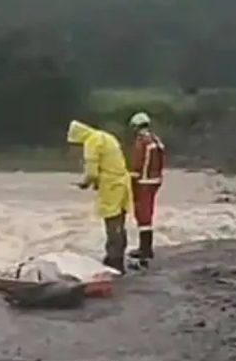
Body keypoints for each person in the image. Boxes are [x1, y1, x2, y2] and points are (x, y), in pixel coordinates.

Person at [66, 120, 132, 272]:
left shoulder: (92, 142)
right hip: (122, 184)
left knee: (112, 224)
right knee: (120, 223)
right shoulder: (105, 136)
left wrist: (85, 183)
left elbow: (92, 172)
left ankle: (114, 262)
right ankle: (118, 257)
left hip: (111, 186)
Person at [127, 111, 166, 262]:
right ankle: (145, 248)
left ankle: (145, 249)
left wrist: (132, 179)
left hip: (143, 182)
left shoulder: (142, 141)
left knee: (142, 214)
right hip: (155, 181)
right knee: (147, 213)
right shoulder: (156, 140)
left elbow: (137, 162)